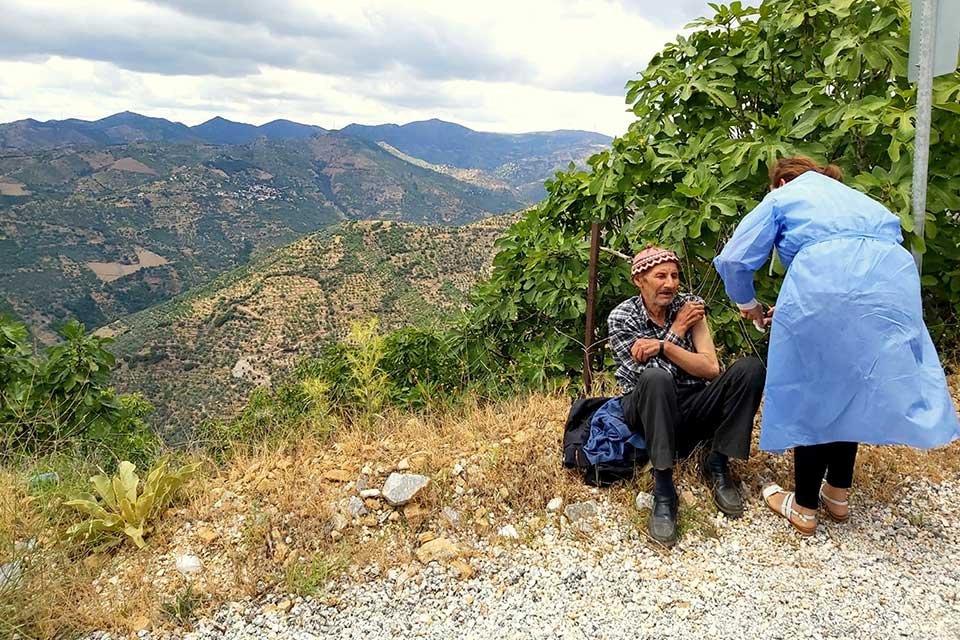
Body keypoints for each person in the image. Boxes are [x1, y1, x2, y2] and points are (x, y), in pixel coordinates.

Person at [713, 156, 960, 536]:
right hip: (891, 285)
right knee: (853, 384)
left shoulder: (785, 195)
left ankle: (805, 507)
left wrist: (748, 304)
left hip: (825, 286)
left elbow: (734, 260)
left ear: (782, 181)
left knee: (812, 391)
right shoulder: (856, 198)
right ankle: (838, 495)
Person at [607, 246, 765, 546]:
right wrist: (678, 330)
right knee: (656, 379)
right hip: (647, 407)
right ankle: (664, 489)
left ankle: (717, 463)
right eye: (661, 276)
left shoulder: (690, 307)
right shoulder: (623, 317)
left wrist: (664, 346)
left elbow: (711, 368)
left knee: (750, 369)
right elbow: (647, 376)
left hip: (693, 400)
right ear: (639, 280)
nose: (670, 283)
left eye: (675, 276)